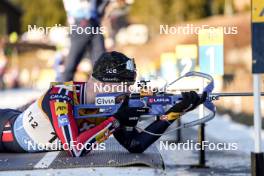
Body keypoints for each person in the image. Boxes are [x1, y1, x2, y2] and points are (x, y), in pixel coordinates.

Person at [0, 51, 206, 156]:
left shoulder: (112, 105)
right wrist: (116, 120)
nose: (128, 91)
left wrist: (174, 112)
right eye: (124, 85)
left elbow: (135, 144)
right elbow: (76, 149)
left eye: (129, 85)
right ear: (101, 84)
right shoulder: (60, 96)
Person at [62, 0, 110, 81]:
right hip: (80, 21)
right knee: (72, 61)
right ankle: (62, 89)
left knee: (100, 62)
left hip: (94, 22)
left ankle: (101, 90)